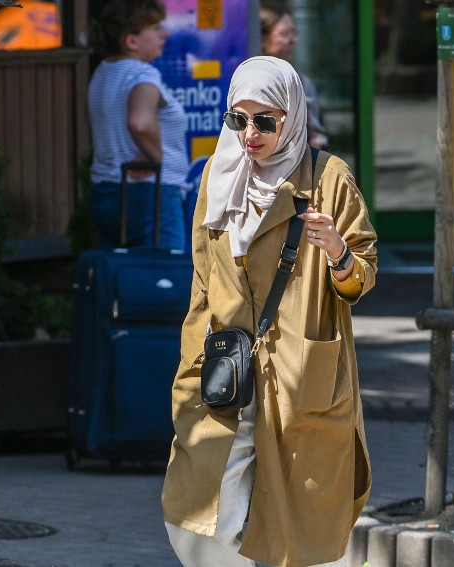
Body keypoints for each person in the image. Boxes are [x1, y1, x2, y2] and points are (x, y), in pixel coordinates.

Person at [161, 56, 377, 567]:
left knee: (306, 523)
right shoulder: (218, 173)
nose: (249, 133)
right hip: (225, 370)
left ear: (292, 117)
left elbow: (362, 278)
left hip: (301, 373)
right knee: (192, 515)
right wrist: (191, 368)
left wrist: (338, 251)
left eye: (265, 120)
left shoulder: (328, 178)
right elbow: (202, 280)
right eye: (238, 119)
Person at [87, 0, 187, 250]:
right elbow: (140, 122)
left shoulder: (103, 71)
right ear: (131, 41)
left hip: (106, 191)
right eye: (154, 28)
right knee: (162, 279)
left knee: (126, 279)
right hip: (150, 195)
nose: (164, 34)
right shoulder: (141, 74)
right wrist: (155, 156)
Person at [259, 1, 329, 150]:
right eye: (284, 34)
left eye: (293, 33)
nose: (292, 40)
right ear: (262, 39)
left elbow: (317, 133)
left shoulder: (302, 82)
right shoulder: (247, 80)